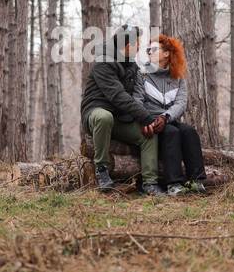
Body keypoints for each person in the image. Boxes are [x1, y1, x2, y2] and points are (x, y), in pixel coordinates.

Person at [80, 26, 164, 196]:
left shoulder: (131, 64)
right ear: (127, 46)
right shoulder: (103, 63)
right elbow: (118, 96)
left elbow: (135, 96)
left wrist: (146, 121)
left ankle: (149, 183)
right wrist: (145, 117)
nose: (139, 46)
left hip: (120, 117)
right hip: (96, 113)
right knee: (104, 117)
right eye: (137, 43)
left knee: (148, 134)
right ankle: (102, 170)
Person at [135, 34, 207, 196]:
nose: (149, 52)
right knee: (171, 132)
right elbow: (136, 100)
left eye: (154, 49)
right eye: (148, 49)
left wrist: (166, 117)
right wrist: (145, 120)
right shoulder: (142, 74)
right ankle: (174, 184)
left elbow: (181, 103)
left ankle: (196, 181)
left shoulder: (178, 77)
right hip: (150, 122)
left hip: (168, 119)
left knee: (189, 131)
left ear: (167, 53)